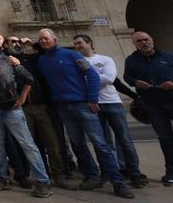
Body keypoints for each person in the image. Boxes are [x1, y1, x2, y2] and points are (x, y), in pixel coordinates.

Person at [35, 29, 134, 198]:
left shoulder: (72, 55)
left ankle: (118, 182)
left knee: (100, 143)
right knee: (78, 144)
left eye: (46, 38)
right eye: (40, 39)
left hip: (83, 105)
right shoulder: (42, 60)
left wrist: (93, 99)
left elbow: (93, 76)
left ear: (54, 39)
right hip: (63, 107)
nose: (43, 41)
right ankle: (91, 176)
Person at [0, 37, 53, 197]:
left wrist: (23, 97)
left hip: (12, 109)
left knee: (27, 145)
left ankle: (43, 181)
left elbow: (29, 79)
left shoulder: (8, 61)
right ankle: (2, 177)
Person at [4, 35, 78, 190]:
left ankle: (59, 175)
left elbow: (45, 51)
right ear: (5, 46)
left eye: (18, 41)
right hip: (21, 109)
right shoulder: (4, 62)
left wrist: (33, 43)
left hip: (40, 106)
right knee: (30, 145)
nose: (16, 44)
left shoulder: (31, 59)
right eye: (12, 42)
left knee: (51, 142)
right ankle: (42, 176)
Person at [74, 34, 144, 188]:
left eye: (80, 43)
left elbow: (110, 79)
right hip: (93, 105)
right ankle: (109, 171)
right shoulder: (77, 62)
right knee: (103, 143)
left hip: (112, 103)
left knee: (125, 140)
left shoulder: (105, 59)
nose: (77, 46)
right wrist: (95, 78)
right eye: (75, 44)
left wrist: (89, 79)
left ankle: (135, 173)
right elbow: (78, 82)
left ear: (89, 43)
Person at [124, 31, 173, 185]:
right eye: (139, 41)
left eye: (146, 39)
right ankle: (171, 171)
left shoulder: (167, 56)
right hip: (153, 105)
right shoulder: (131, 60)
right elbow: (127, 77)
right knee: (165, 138)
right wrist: (136, 82)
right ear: (135, 44)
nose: (143, 43)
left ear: (152, 40)